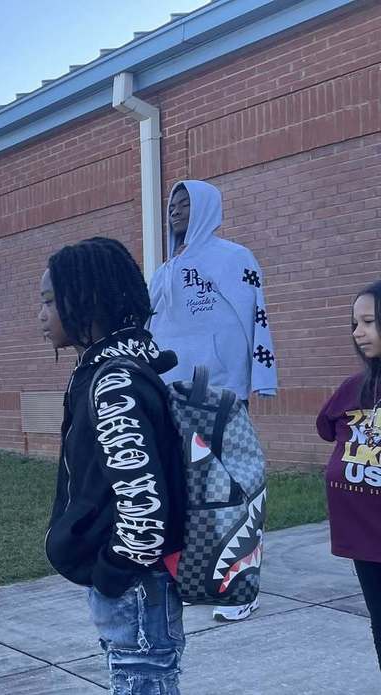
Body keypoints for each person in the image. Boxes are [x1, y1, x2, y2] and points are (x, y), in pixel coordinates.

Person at [40, 237, 186, 695]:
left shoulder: (114, 382)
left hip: (135, 587)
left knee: (143, 680)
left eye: (49, 301)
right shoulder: (127, 365)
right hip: (141, 584)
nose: (41, 315)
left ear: (87, 299)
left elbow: (143, 505)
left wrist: (112, 573)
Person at [149, 179, 277, 622]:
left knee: (236, 490)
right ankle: (202, 577)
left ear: (206, 208)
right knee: (190, 492)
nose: (176, 211)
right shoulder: (164, 271)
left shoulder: (234, 259)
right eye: (172, 204)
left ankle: (242, 588)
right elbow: (152, 332)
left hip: (220, 394)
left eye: (185, 204)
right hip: (174, 397)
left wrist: (261, 378)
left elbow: (257, 315)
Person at [316, 280, 381, 672]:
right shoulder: (353, 389)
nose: (358, 333)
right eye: (354, 323)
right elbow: (326, 426)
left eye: (369, 322)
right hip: (362, 538)